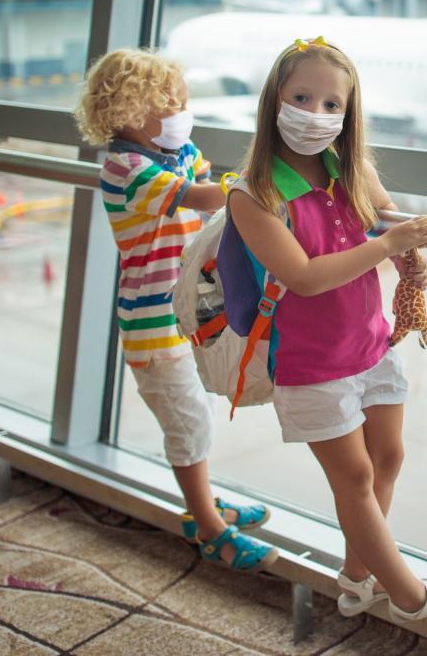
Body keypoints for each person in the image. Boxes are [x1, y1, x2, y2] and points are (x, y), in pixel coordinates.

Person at [225, 36, 427, 621]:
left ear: (349, 112)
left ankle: (356, 578)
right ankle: (418, 599)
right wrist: (390, 244)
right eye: (301, 97)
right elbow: (305, 277)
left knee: (388, 458)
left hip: (369, 347)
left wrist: (406, 258)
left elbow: (387, 225)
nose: (316, 115)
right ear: (274, 100)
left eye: (331, 104)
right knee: (356, 475)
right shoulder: (253, 194)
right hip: (312, 365)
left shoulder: (354, 170)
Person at [74, 48, 277, 572]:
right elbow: (205, 197)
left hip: (187, 318)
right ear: (127, 115)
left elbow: (212, 185)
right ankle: (207, 527)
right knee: (186, 422)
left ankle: (202, 500)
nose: (182, 115)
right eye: (170, 106)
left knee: (200, 415)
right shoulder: (127, 168)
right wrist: (264, 182)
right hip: (152, 326)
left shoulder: (179, 150)